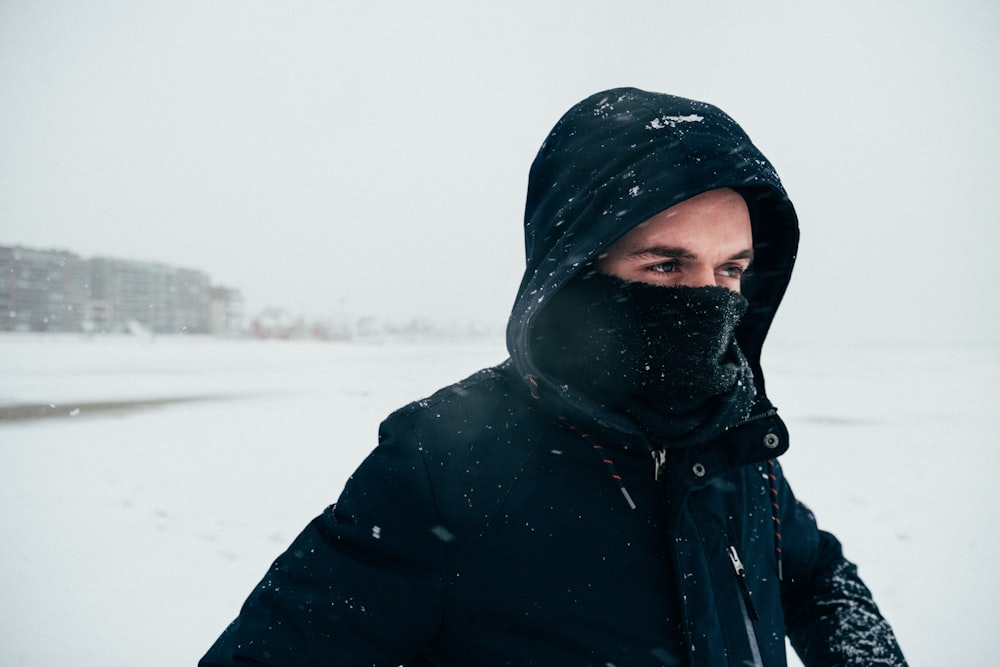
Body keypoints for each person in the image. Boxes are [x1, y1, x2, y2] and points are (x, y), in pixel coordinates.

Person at [200, 87, 907, 666]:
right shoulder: (446, 463)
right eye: (665, 265)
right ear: (576, 270)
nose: (707, 301)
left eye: (730, 270)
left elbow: (816, 577)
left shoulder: (730, 438)